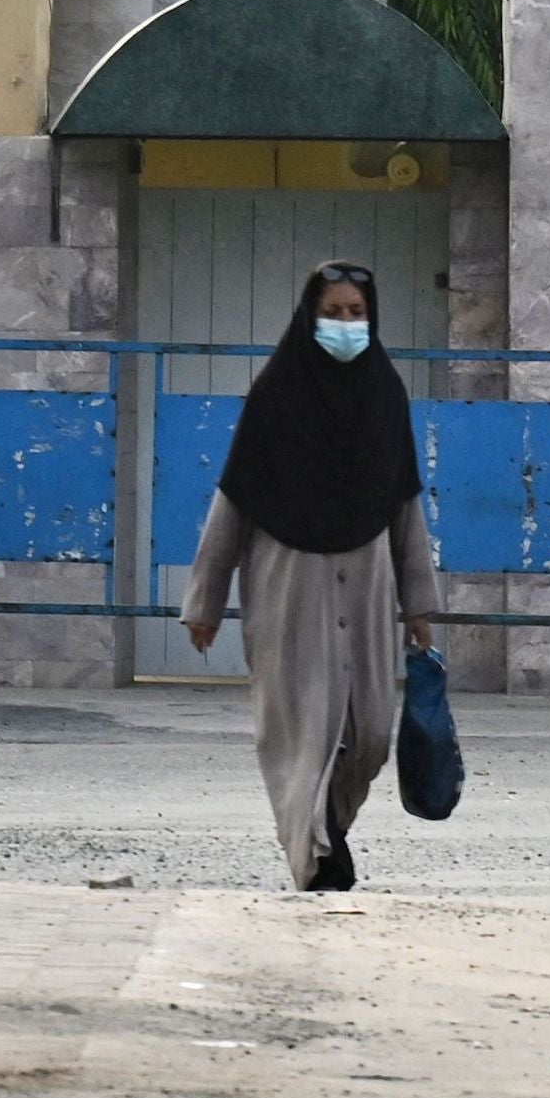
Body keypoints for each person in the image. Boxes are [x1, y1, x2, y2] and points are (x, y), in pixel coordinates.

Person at [181, 262, 441, 891]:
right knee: (303, 730)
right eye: (334, 313)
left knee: (372, 731)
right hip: (287, 583)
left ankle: (328, 829)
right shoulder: (277, 393)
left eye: (357, 314)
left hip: (369, 575)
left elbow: (405, 502)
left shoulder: (385, 393)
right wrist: (205, 601)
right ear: (309, 316)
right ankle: (312, 857)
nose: (346, 325)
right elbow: (235, 497)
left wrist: (419, 603)